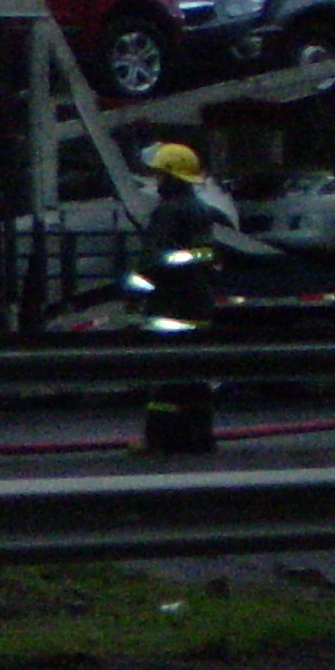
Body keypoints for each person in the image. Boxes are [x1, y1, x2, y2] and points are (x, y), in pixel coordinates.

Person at [131, 140, 220, 456]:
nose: (156, 182)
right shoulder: (201, 211)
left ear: (171, 177)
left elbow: (153, 261)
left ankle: (160, 440)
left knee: (166, 377)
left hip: (171, 306)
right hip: (199, 303)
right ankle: (201, 437)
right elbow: (202, 257)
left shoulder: (169, 212)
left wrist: (135, 287)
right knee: (195, 374)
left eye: (159, 175)